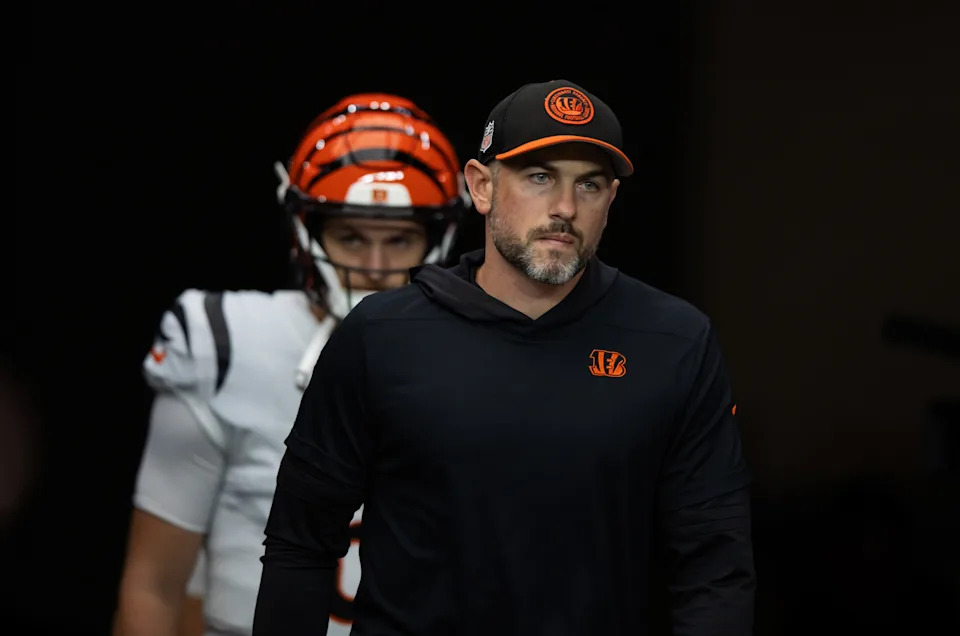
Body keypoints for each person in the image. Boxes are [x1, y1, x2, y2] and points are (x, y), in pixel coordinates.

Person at [251, 78, 756, 635]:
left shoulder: (673, 341)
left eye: (588, 185)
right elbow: (300, 542)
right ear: (481, 187)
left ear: (610, 201)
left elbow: (715, 569)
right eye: (540, 178)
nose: (565, 207)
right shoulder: (382, 335)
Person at [111, 92, 470, 636]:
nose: (374, 267)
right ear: (307, 229)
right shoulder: (224, 341)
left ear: (439, 236)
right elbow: (156, 585)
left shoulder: (478, 356)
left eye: (399, 239)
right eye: (350, 235)